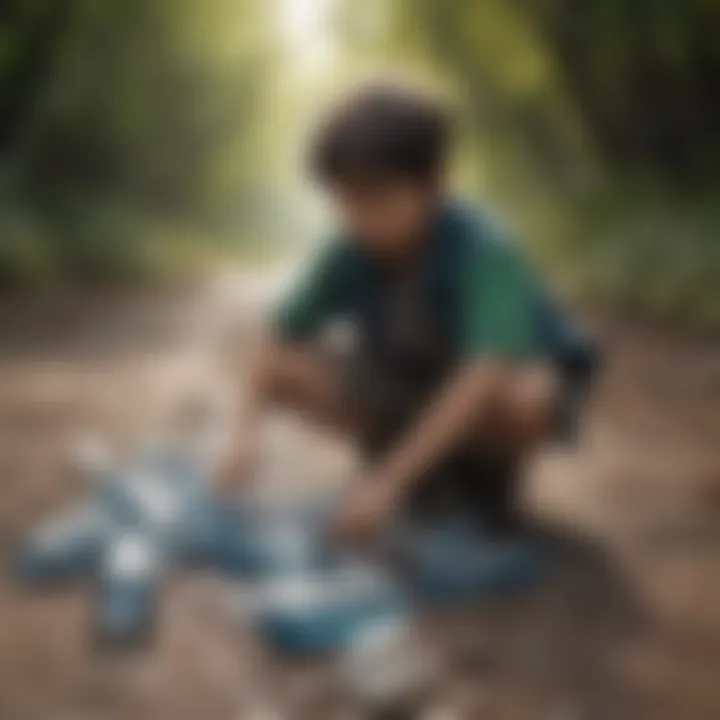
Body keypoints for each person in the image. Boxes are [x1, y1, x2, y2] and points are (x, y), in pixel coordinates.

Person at [217, 81, 597, 543]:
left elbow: (486, 372)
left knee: (527, 393)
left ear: (433, 183)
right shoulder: (348, 247)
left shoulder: (487, 251)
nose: (360, 218)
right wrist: (242, 436)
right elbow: (276, 337)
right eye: (346, 200)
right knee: (282, 365)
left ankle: (476, 485)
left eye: (377, 199)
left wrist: (387, 484)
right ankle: (413, 474)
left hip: (485, 403)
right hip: (406, 387)